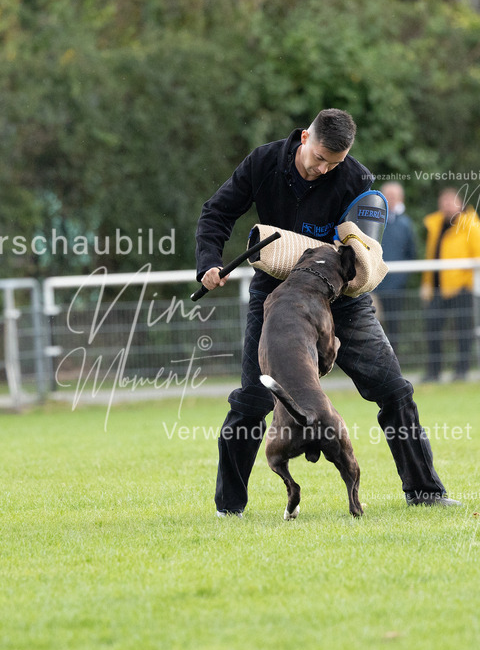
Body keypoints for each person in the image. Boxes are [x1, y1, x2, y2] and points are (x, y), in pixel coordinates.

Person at [195, 109, 458, 514]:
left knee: (393, 389)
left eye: (333, 164)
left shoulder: (356, 179)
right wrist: (209, 261)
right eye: (319, 158)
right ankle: (229, 508)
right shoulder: (263, 162)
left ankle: (426, 492)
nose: (323, 169)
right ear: (305, 138)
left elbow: (361, 249)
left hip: (340, 298)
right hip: (277, 296)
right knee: (253, 399)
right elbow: (217, 211)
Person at [420, 187, 480, 383]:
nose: (447, 206)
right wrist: (426, 284)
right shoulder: (435, 225)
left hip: (462, 288)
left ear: (460, 204)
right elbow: (431, 256)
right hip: (437, 289)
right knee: (432, 329)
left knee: (463, 331)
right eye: (444, 202)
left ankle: (461, 371)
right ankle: (433, 372)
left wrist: (468, 284)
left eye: (451, 202)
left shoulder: (472, 225)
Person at [372, 181, 417, 349]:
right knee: (371, 327)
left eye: (393, 196)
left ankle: (393, 360)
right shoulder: (373, 221)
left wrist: (400, 279)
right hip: (372, 286)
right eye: (387, 196)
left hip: (395, 287)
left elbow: (411, 253)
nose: (390, 199)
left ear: (400, 198)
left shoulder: (405, 224)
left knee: (393, 328)